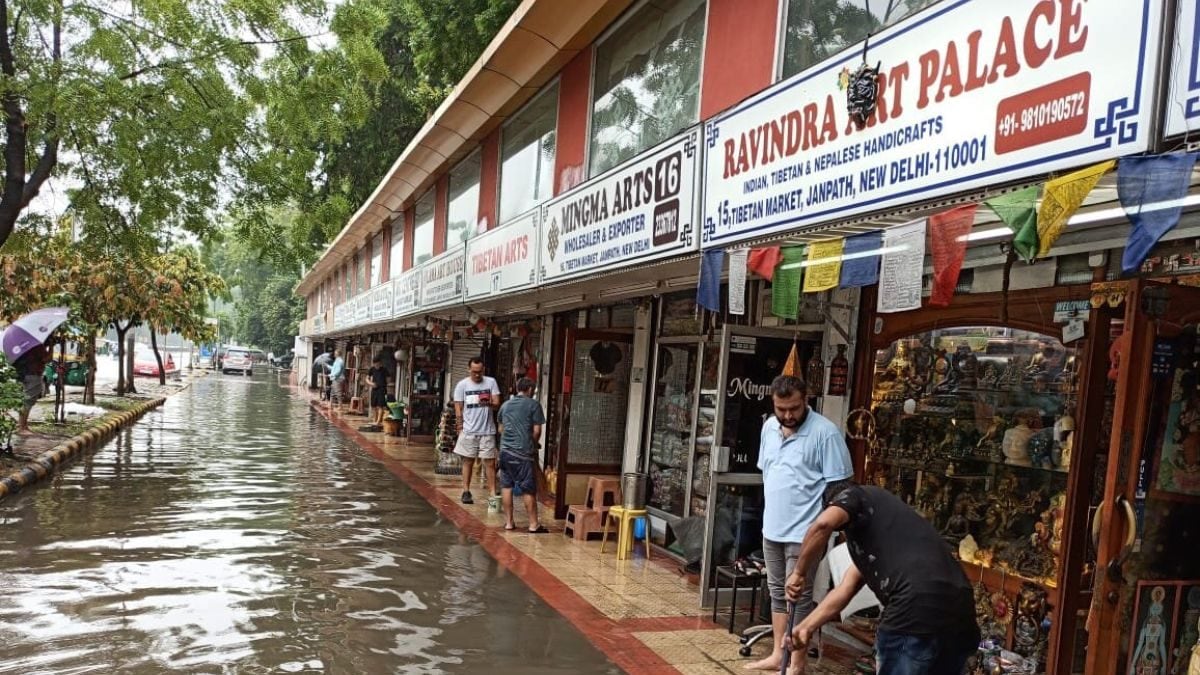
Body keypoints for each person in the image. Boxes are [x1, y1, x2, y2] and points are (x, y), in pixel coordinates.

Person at [786, 482, 980, 675]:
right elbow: (845, 588)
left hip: (914, 610)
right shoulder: (889, 530)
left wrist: (798, 573)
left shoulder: (855, 495)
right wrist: (806, 627)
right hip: (961, 609)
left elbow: (823, 524)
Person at [746, 375, 853, 674]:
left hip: (806, 532)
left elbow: (841, 489)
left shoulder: (825, 433)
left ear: (806, 400)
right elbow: (769, 474)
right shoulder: (769, 427)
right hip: (772, 527)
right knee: (776, 591)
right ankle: (777, 655)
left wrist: (826, 527)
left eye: (794, 408)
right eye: (781, 409)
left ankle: (797, 663)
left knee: (799, 597)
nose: (788, 415)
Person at [497, 377, 547, 533]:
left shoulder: (505, 405)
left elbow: (500, 429)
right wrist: (532, 444)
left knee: (506, 486)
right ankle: (533, 525)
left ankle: (509, 523)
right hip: (523, 454)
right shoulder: (534, 405)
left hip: (505, 452)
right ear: (530, 390)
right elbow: (537, 431)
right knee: (527, 489)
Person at [453, 357, 500, 505]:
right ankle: (466, 491)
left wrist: (488, 402)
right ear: (469, 369)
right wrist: (460, 428)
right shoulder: (462, 385)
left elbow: (497, 403)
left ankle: (492, 493)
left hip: (487, 430)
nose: (477, 374)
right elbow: (458, 408)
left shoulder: (491, 382)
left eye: (479, 372)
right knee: (468, 461)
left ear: (483, 370)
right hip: (469, 430)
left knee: (490, 462)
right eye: (474, 372)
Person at [15, 344, 50, 435]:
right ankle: (21, 427)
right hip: (33, 374)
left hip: (23, 374)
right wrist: (51, 347)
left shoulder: (22, 345)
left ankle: (23, 425)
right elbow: (47, 359)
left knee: (25, 401)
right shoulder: (37, 345)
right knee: (28, 401)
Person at [367, 355, 390, 426]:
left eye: (378, 363)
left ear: (380, 363)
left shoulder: (384, 369)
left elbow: (388, 379)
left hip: (382, 389)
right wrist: (371, 383)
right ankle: (375, 420)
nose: (376, 365)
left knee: (380, 405)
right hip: (374, 389)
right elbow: (367, 379)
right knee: (373, 405)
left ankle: (378, 421)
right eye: (375, 364)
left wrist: (384, 384)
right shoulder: (372, 369)